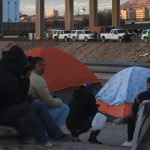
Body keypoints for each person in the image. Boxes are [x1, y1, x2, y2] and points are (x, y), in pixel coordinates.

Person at [0, 46, 52, 146]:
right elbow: (18, 98)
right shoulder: (6, 76)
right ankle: (41, 138)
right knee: (24, 107)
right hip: (2, 111)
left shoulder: (6, 69)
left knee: (26, 106)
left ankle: (27, 135)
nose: (22, 66)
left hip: (4, 107)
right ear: (16, 63)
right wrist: (26, 79)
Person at [28, 57, 70, 135]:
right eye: (40, 65)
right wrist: (60, 101)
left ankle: (52, 131)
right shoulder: (38, 80)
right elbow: (49, 102)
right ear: (34, 65)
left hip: (29, 110)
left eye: (44, 65)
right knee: (65, 108)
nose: (42, 67)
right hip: (36, 113)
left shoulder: (29, 75)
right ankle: (55, 132)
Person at [115, 77, 150, 147]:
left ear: (148, 84)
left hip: (143, 120)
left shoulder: (141, 95)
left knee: (132, 118)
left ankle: (130, 140)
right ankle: (123, 120)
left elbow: (134, 110)